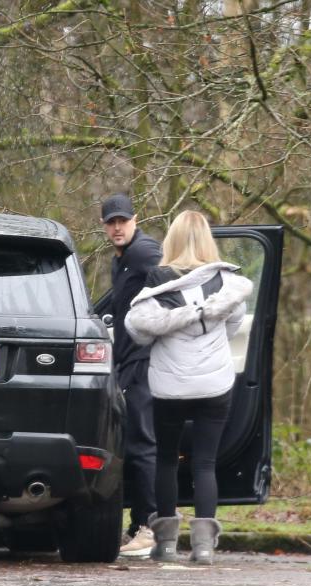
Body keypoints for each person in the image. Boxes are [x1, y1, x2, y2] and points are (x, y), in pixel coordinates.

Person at [124, 210, 252, 564]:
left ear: (173, 240)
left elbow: (138, 332)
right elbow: (233, 325)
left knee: (166, 459)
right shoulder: (225, 283)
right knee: (205, 463)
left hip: (169, 387)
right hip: (215, 384)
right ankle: (204, 547)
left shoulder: (158, 282)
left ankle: (165, 545)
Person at [99, 193, 162, 557]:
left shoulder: (144, 251)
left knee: (142, 446)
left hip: (143, 362)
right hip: (127, 362)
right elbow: (115, 301)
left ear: (135, 219)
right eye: (111, 222)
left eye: (123, 220)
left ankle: (148, 527)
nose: (118, 227)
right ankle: (139, 523)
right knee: (133, 445)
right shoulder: (121, 260)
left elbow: (173, 280)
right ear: (104, 225)